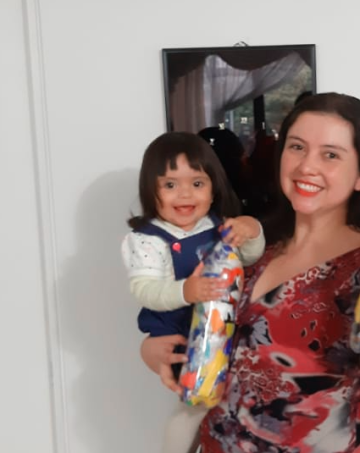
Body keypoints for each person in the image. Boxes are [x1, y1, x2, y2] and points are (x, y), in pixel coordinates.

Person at [144, 92, 360, 453]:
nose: (307, 166)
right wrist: (155, 349)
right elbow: (203, 330)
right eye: (297, 147)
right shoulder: (248, 247)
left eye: (331, 155)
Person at [121, 132, 265, 453]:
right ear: (150, 191)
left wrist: (251, 229)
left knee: (225, 402)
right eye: (170, 185)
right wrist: (186, 290)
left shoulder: (217, 226)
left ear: (214, 190)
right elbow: (144, 290)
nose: (185, 194)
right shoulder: (148, 240)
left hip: (222, 328)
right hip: (182, 335)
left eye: (197, 183)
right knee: (195, 406)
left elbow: (250, 256)